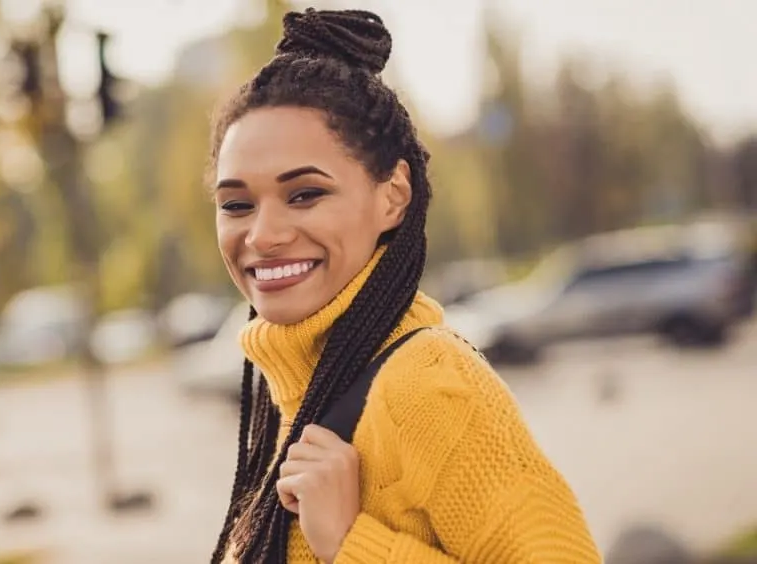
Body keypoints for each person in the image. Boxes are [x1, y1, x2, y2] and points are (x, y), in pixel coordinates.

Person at [207, 7, 601, 564]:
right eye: (237, 205)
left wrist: (352, 544)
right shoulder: (291, 397)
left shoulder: (429, 384)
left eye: (305, 194)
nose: (263, 235)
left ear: (392, 195)